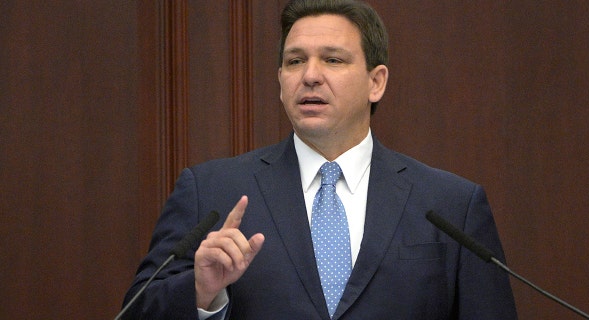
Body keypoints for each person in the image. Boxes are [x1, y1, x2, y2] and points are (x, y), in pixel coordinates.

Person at [122, 0, 518, 319]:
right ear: (280, 82)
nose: (309, 76)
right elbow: (136, 310)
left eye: (333, 59)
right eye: (295, 61)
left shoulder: (450, 205)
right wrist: (200, 292)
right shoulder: (210, 191)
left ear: (375, 82)